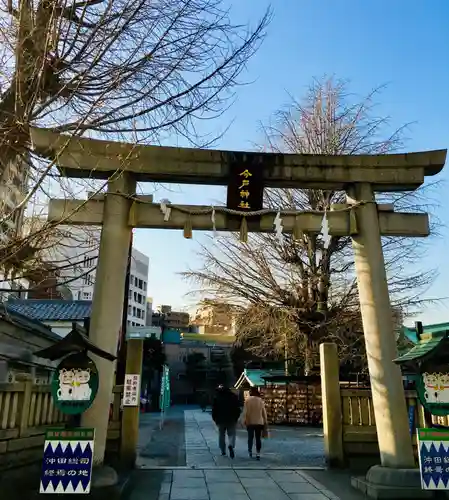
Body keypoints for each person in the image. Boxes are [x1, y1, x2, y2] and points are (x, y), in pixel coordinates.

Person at [211, 384, 241, 458]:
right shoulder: (234, 397)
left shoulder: (217, 397)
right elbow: (237, 409)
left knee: (221, 435)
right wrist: (236, 418)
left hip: (220, 420)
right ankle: (231, 444)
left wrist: (215, 419)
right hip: (231, 419)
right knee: (231, 434)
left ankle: (223, 451)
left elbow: (214, 410)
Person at [242, 387, 268, 460]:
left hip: (250, 422)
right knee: (258, 438)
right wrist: (265, 421)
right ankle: (258, 453)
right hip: (259, 422)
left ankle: (250, 451)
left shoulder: (247, 400)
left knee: (250, 437)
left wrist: (243, 421)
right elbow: (264, 412)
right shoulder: (260, 400)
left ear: (251, 392)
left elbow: (245, 412)